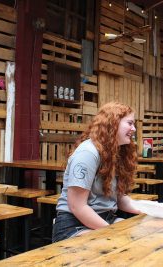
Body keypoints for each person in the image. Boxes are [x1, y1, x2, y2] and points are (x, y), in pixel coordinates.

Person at [52, 101, 141, 242]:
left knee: (140, 236)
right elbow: (77, 206)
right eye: (130, 123)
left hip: (106, 218)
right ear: (113, 123)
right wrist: (111, 233)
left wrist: (152, 209)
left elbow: (119, 199)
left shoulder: (115, 152)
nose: (134, 129)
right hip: (74, 226)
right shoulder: (88, 152)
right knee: (120, 245)